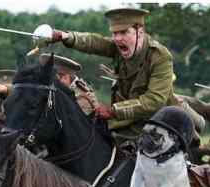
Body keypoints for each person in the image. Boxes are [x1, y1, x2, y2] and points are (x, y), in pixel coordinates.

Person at [44, 7, 178, 146]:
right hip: (124, 122)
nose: (118, 38)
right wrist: (65, 36)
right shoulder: (118, 46)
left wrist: (113, 111)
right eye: (115, 33)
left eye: (124, 32)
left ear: (140, 32)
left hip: (157, 122)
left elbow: (154, 100)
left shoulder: (160, 56)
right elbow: (94, 42)